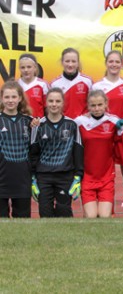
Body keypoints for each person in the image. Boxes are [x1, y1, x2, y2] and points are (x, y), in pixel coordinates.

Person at [30, 88, 84, 217]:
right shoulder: (38, 125)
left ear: (63, 103)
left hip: (65, 176)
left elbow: (78, 151)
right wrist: (32, 177)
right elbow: (33, 153)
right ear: (46, 102)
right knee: (45, 212)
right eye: (51, 101)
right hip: (44, 177)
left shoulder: (72, 125)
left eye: (58, 101)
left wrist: (78, 176)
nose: (54, 104)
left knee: (64, 212)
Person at [74, 90, 119, 218]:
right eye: (93, 105)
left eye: (100, 105)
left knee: (105, 217)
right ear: (88, 106)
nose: (97, 108)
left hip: (106, 176)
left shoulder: (114, 121)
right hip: (87, 177)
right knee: (91, 217)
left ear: (106, 104)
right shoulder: (79, 122)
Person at [0, 81, 33, 218]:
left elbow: (34, 150)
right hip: (2, 179)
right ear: (2, 98)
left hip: (22, 180)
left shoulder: (29, 121)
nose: (10, 100)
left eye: (14, 97)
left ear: (20, 98)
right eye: (7, 97)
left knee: (23, 223)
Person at [50, 48, 93, 118]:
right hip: (63, 124)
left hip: (83, 124)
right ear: (62, 62)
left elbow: (93, 103)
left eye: (73, 61)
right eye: (67, 61)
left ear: (78, 63)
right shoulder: (54, 84)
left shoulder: (87, 81)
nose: (70, 64)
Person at [91, 51, 123, 119]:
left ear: (122, 65)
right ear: (106, 63)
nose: (114, 64)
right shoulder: (96, 86)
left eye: (117, 62)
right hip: (105, 128)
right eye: (111, 61)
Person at [17, 53, 49, 118]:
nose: (26, 70)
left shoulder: (43, 84)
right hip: (20, 124)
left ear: (35, 68)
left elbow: (48, 107)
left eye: (29, 67)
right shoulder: (16, 84)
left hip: (38, 124)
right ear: (19, 69)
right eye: (23, 67)